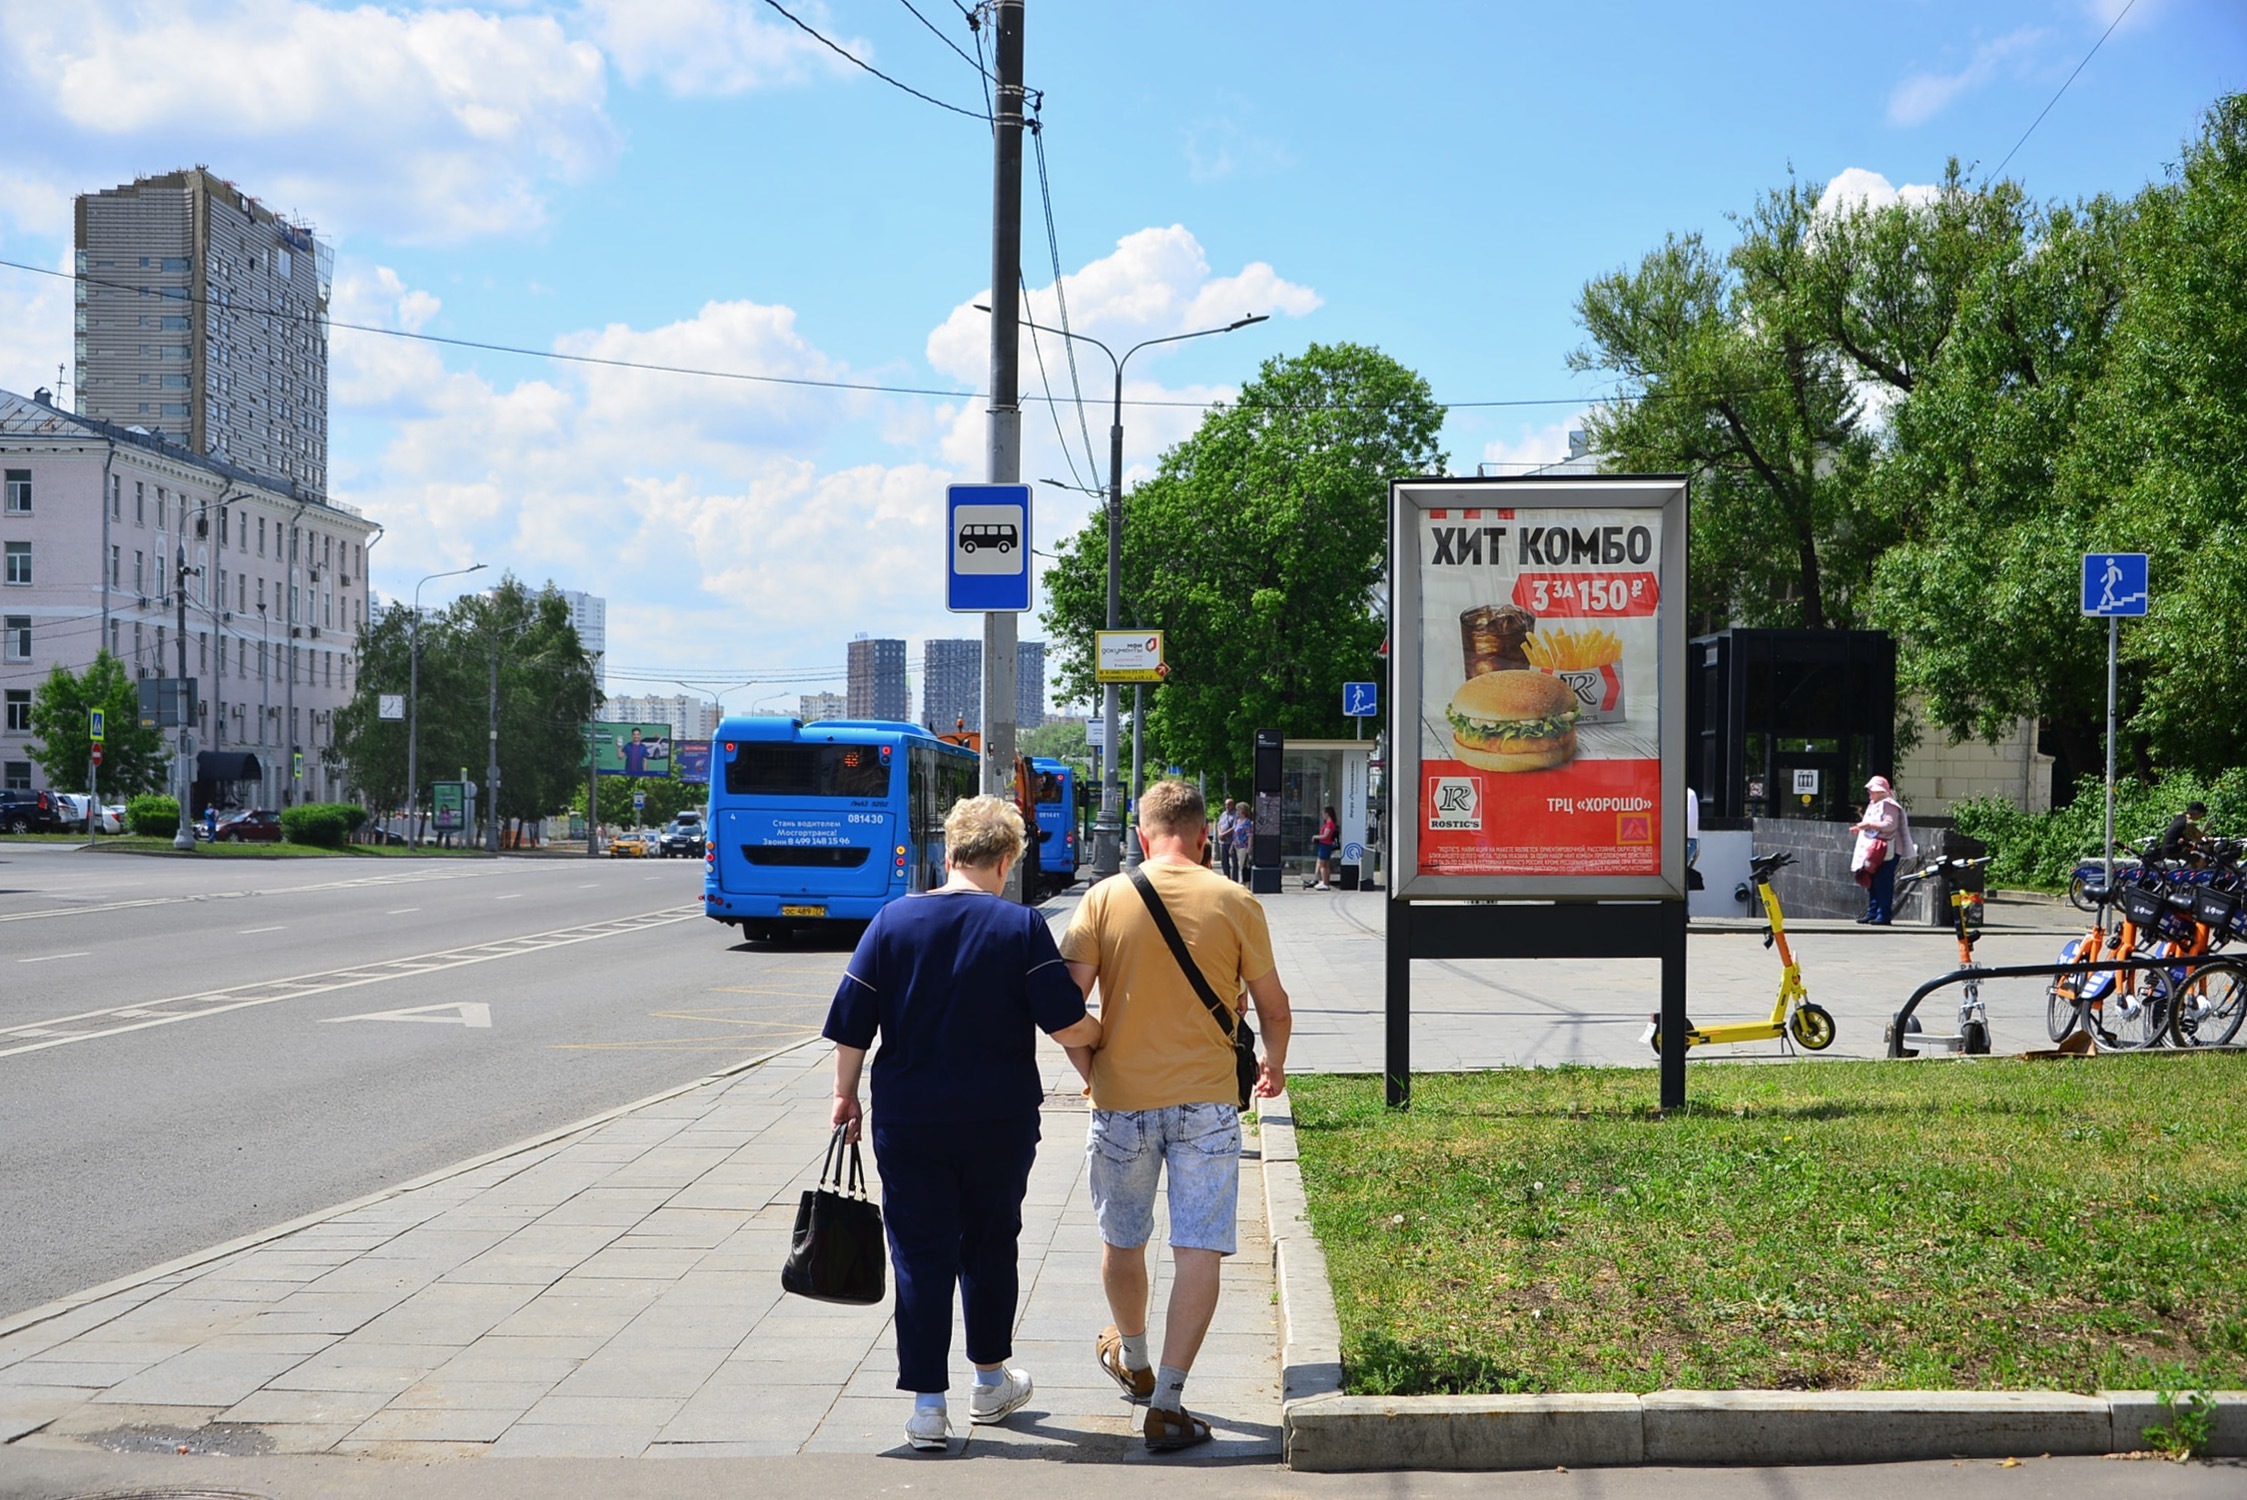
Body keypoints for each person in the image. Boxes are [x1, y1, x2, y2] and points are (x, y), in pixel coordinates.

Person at [823, 796, 1105, 1453]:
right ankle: (989, 1382)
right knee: (988, 1244)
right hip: (996, 1118)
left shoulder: (892, 921)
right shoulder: (1019, 928)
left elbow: (851, 1024)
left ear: (948, 854)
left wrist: (844, 1096)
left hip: (908, 1117)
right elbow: (1065, 1023)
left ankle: (926, 1407)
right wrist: (1107, 1030)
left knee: (919, 1255)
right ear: (1005, 860)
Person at [1058, 780, 1293, 1453]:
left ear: (1141, 835)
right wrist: (1271, 1061)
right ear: (1202, 837)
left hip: (1121, 1104)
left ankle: (1133, 1359)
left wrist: (1093, 1065)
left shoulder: (1102, 897)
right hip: (1208, 1103)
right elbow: (1272, 1007)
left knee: (1122, 1237)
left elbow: (1064, 1010)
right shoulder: (1235, 900)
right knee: (1197, 1247)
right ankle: (1168, 1403)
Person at [1848, 776, 1915, 926]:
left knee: (1883, 881)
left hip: (1886, 850)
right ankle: (1873, 912)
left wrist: (1868, 825)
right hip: (1876, 849)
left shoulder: (1888, 805)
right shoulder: (1875, 804)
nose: (1869, 793)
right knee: (1872, 880)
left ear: (1880, 791)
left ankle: (1883, 914)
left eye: (1872, 790)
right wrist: (1859, 828)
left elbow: (1889, 825)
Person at [1312, 805, 1340, 891]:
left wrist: (1315, 837)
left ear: (1327, 814)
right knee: (1326, 865)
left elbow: (1325, 836)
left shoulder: (1329, 824)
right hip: (1326, 845)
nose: (1323, 815)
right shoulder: (1330, 824)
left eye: (1324, 813)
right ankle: (1325, 882)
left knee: (1323, 865)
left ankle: (1325, 883)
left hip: (1324, 845)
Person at [1229, 803, 1254, 887]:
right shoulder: (1237, 821)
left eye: (1239, 810)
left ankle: (1243, 882)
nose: (1237, 812)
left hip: (1243, 846)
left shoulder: (1247, 822)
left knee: (1242, 865)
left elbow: (1250, 835)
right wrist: (1232, 846)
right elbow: (1235, 835)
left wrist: (1249, 847)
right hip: (1236, 845)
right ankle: (1242, 881)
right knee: (1237, 864)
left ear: (1244, 811)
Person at [1214, 801, 1239, 882]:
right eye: (1226, 804)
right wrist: (1220, 834)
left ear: (1233, 805)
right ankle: (1226, 879)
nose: (1227, 806)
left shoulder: (1236, 814)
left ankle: (1234, 880)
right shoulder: (1223, 814)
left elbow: (1235, 827)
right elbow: (1219, 825)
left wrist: (1224, 834)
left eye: (1229, 804)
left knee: (1234, 863)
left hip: (1232, 842)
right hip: (1223, 842)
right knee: (1224, 862)